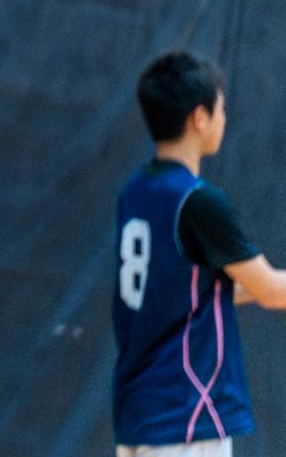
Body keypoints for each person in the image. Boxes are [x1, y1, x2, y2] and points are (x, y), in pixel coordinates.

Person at [113, 49, 286, 456]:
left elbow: (186, 292)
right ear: (199, 117)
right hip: (187, 413)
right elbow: (271, 291)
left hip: (138, 413)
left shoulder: (134, 193)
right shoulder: (197, 201)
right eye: (222, 108)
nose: (225, 119)